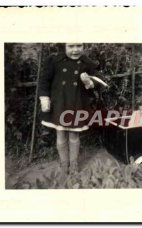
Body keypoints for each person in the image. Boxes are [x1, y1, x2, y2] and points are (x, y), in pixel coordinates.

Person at [38, 43, 99, 175]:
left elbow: (98, 83)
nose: (75, 50)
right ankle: (64, 163)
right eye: (71, 46)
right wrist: (44, 98)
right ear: (64, 47)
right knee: (60, 134)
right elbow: (44, 81)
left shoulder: (86, 63)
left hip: (77, 103)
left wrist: (88, 82)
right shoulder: (55, 61)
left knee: (74, 134)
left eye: (79, 46)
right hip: (59, 103)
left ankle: (74, 164)